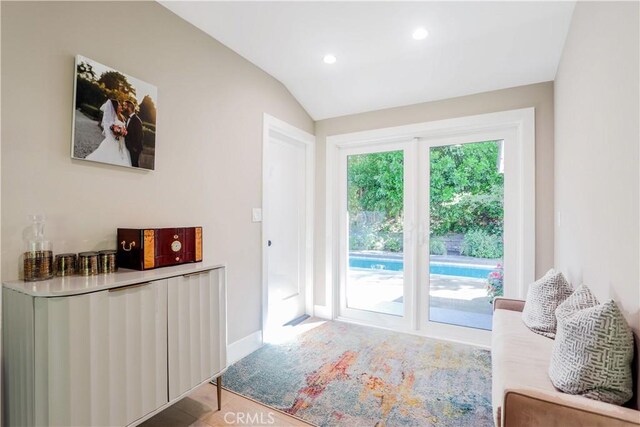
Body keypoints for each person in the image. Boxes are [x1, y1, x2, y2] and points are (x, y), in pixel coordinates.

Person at [86, 99, 132, 167]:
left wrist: (123, 132)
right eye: (119, 105)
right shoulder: (112, 120)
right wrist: (118, 132)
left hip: (122, 143)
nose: (121, 106)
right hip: (114, 142)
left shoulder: (121, 117)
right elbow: (110, 130)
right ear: (115, 107)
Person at [123, 100, 143, 168]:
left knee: (134, 166)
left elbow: (139, 136)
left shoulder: (137, 120)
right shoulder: (128, 118)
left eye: (125, 106)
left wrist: (134, 148)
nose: (123, 107)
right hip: (129, 147)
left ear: (129, 108)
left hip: (134, 149)